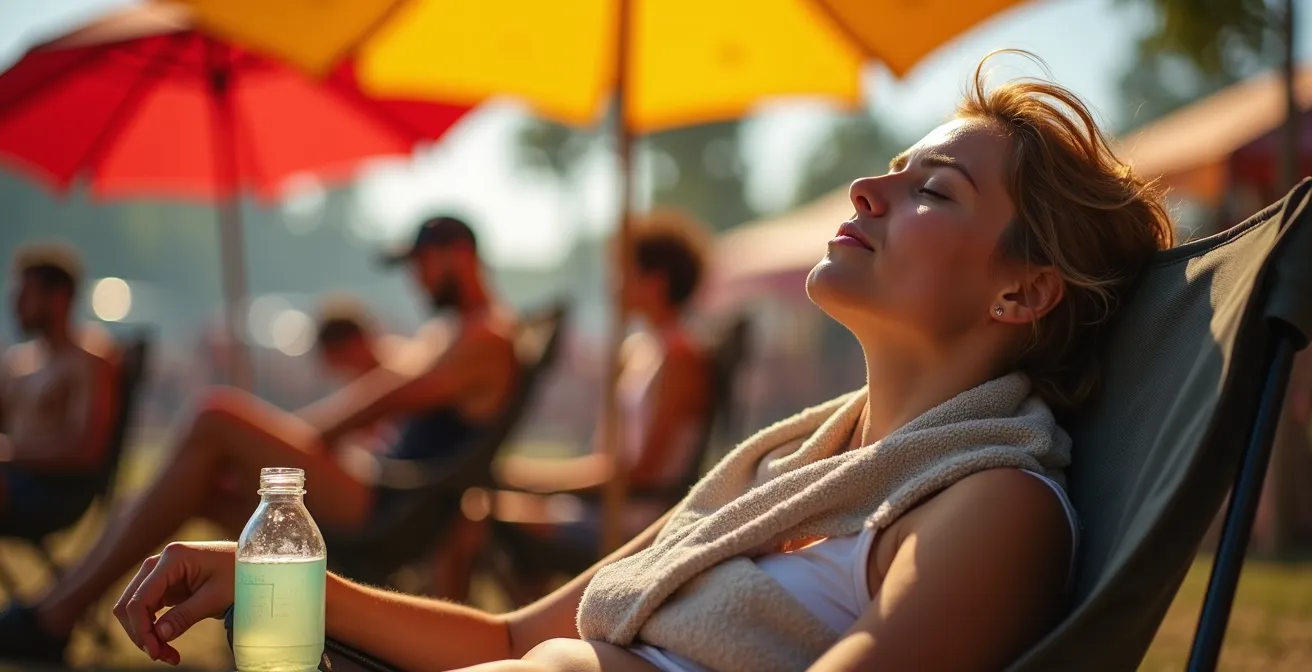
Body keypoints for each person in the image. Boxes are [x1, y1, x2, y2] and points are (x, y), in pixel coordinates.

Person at [112, 51, 1174, 672]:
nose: (867, 189)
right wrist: (276, 578)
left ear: (1022, 291)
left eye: (933, 190)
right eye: (893, 168)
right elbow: (507, 635)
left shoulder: (992, 504)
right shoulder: (786, 466)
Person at [0, 216, 519, 663]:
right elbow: (394, 380)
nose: (415, 278)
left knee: (217, 416)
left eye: (422, 263)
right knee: (203, 481)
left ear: (459, 255)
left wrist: (303, 435)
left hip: (388, 504)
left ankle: (51, 617)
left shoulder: (485, 336)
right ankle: (56, 610)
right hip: (378, 485)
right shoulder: (455, 331)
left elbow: (386, 398)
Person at [494, 212, 713, 548]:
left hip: (632, 521)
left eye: (624, 271)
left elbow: (641, 472)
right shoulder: (642, 348)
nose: (614, 284)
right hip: (607, 505)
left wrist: (537, 480)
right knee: (480, 506)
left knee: (477, 517)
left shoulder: (680, 358)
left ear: (656, 282)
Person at [0, 243, 118, 538]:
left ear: (58, 298)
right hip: (13, 480)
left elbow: (86, 451)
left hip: (53, 491)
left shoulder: (88, 363)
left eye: (25, 295)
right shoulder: (19, 361)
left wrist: (11, 455)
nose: (15, 304)